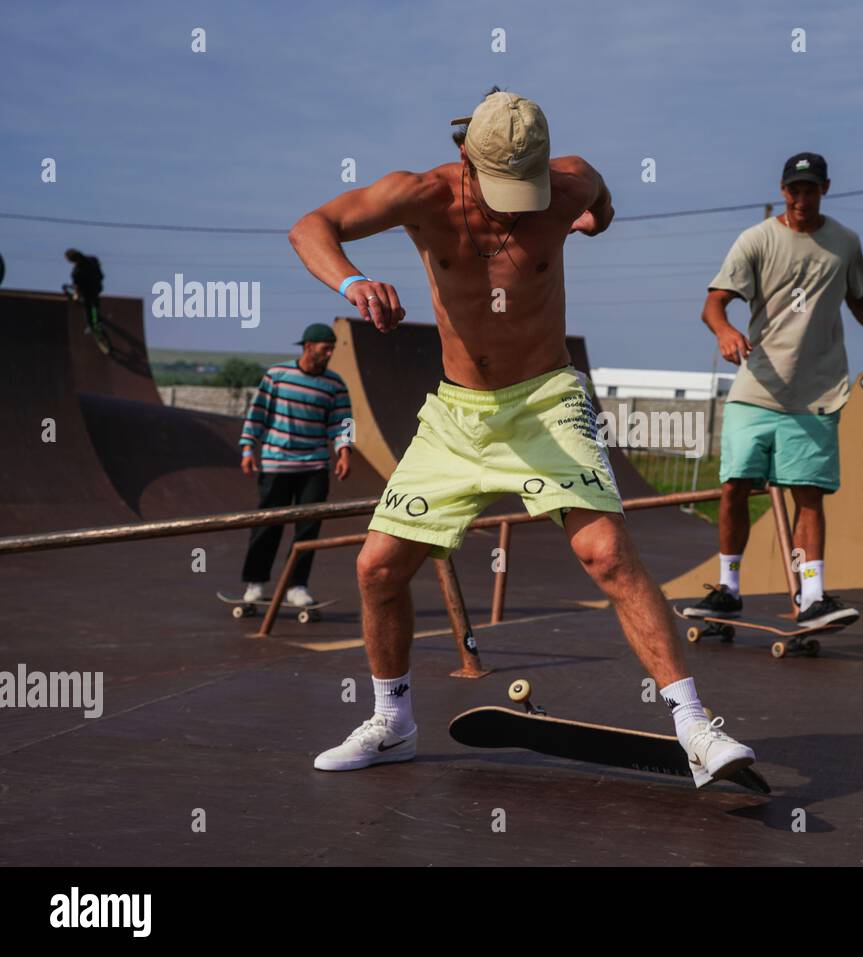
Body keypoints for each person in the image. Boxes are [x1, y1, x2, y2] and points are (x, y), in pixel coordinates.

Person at [289, 89, 755, 785]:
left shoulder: (570, 181)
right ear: (465, 161)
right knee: (376, 567)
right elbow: (311, 226)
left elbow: (602, 205)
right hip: (458, 415)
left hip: (546, 401)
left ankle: (694, 726)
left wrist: (595, 218)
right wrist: (351, 279)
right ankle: (393, 721)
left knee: (605, 553)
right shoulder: (419, 195)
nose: (519, 204)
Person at [681, 153, 863, 627]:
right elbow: (713, 303)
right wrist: (724, 331)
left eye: (810, 189)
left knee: (808, 494)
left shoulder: (844, 243)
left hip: (817, 392)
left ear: (825, 188)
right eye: (794, 190)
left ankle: (812, 596)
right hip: (758, 385)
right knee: (734, 485)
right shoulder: (757, 239)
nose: (801, 198)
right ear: (782, 191)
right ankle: (728, 588)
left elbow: (860, 299)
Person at [238, 323, 354, 608]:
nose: (329, 354)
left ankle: (297, 585)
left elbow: (343, 422)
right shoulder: (277, 375)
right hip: (276, 463)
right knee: (268, 524)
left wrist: (344, 452)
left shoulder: (334, 384)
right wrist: (247, 447)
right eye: (325, 348)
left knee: (308, 528)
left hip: (314, 465)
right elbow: (257, 413)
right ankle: (256, 582)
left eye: (332, 349)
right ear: (307, 347)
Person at [62, 249, 104, 326]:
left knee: (89, 309)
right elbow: (100, 273)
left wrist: (76, 295)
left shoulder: (76, 272)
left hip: (87, 292)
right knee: (94, 304)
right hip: (97, 287)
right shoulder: (93, 259)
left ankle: (94, 323)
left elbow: (77, 286)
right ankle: (96, 318)